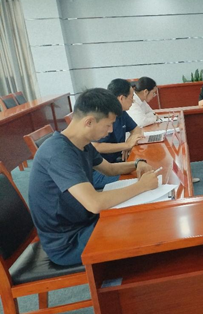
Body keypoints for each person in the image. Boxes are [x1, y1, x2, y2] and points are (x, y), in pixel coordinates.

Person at [28, 88, 158, 266]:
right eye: (108, 125)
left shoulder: (82, 143)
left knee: (141, 218)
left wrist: (137, 164)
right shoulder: (58, 152)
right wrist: (142, 186)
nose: (110, 130)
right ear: (89, 122)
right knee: (144, 231)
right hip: (68, 243)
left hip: (84, 222)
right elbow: (94, 204)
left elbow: (109, 169)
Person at [92, 79, 145, 189]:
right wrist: (125, 145)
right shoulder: (102, 115)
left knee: (144, 169)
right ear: (121, 98)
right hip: (97, 171)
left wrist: (128, 143)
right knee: (139, 178)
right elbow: (96, 146)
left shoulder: (121, 113)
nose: (133, 101)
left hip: (114, 164)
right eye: (131, 97)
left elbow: (136, 129)